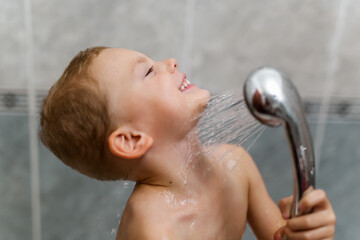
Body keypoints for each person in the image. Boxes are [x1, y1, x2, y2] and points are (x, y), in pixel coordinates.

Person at [39, 47, 336, 240]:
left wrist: (309, 230)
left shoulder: (236, 164)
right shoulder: (154, 227)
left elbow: (280, 236)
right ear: (131, 140)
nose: (170, 62)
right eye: (148, 71)